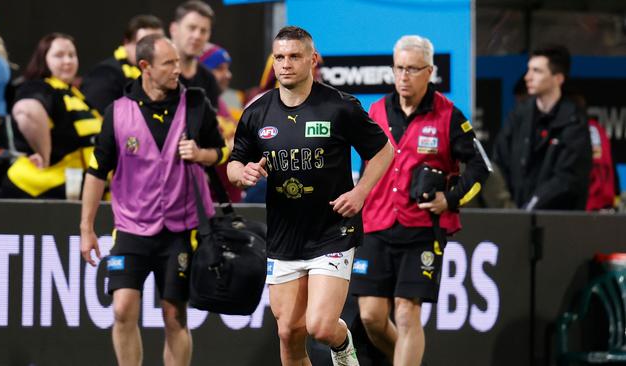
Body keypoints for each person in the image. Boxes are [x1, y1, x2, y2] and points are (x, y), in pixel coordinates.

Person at [227, 26, 394, 366]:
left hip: (332, 231)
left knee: (319, 326)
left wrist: (360, 192)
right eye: (279, 57)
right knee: (289, 332)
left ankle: (343, 344)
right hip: (284, 235)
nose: (285, 64)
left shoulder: (339, 106)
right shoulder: (256, 113)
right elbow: (234, 163)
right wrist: (242, 174)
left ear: (312, 60)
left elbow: (384, 151)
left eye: (294, 56)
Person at [80, 34, 226, 366]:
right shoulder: (117, 112)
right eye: (169, 63)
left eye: (177, 62)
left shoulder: (196, 104)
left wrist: (201, 153)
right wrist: (86, 228)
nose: (178, 69)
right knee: (122, 310)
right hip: (131, 227)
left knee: (175, 317)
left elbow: (221, 152)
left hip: (179, 230)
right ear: (145, 67)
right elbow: (96, 171)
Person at [350, 35, 490, 366]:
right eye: (399, 68)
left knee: (407, 311)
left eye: (413, 69)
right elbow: (367, 166)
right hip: (377, 222)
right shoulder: (376, 110)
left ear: (429, 71)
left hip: (423, 228)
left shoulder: (449, 115)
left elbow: (481, 167)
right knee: (370, 316)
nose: (404, 76)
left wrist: (450, 199)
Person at [0, 33, 101, 199]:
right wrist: (44, 155)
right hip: (40, 185)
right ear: (44, 59)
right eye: (59, 55)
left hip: (76, 185)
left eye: (72, 55)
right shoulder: (40, 87)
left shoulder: (76, 95)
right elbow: (27, 111)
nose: (68, 61)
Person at [494, 45, 591, 210]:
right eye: (528, 70)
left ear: (558, 78)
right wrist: (507, 207)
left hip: (558, 223)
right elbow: (499, 163)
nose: (527, 77)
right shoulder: (518, 116)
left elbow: (568, 178)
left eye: (537, 71)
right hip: (514, 220)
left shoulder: (574, 122)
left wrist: (532, 205)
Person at [80, 14, 164, 112]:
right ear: (126, 43)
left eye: (159, 45)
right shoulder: (103, 75)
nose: (153, 51)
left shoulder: (165, 75)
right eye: (145, 45)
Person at [199, 43, 242, 202]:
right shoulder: (194, 106)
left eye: (227, 68)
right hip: (208, 208)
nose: (228, 75)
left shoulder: (220, 103)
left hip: (231, 203)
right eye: (220, 68)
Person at [169, 0, 220, 108]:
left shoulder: (209, 80)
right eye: (191, 28)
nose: (197, 36)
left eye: (203, 31)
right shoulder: (155, 73)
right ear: (174, 29)